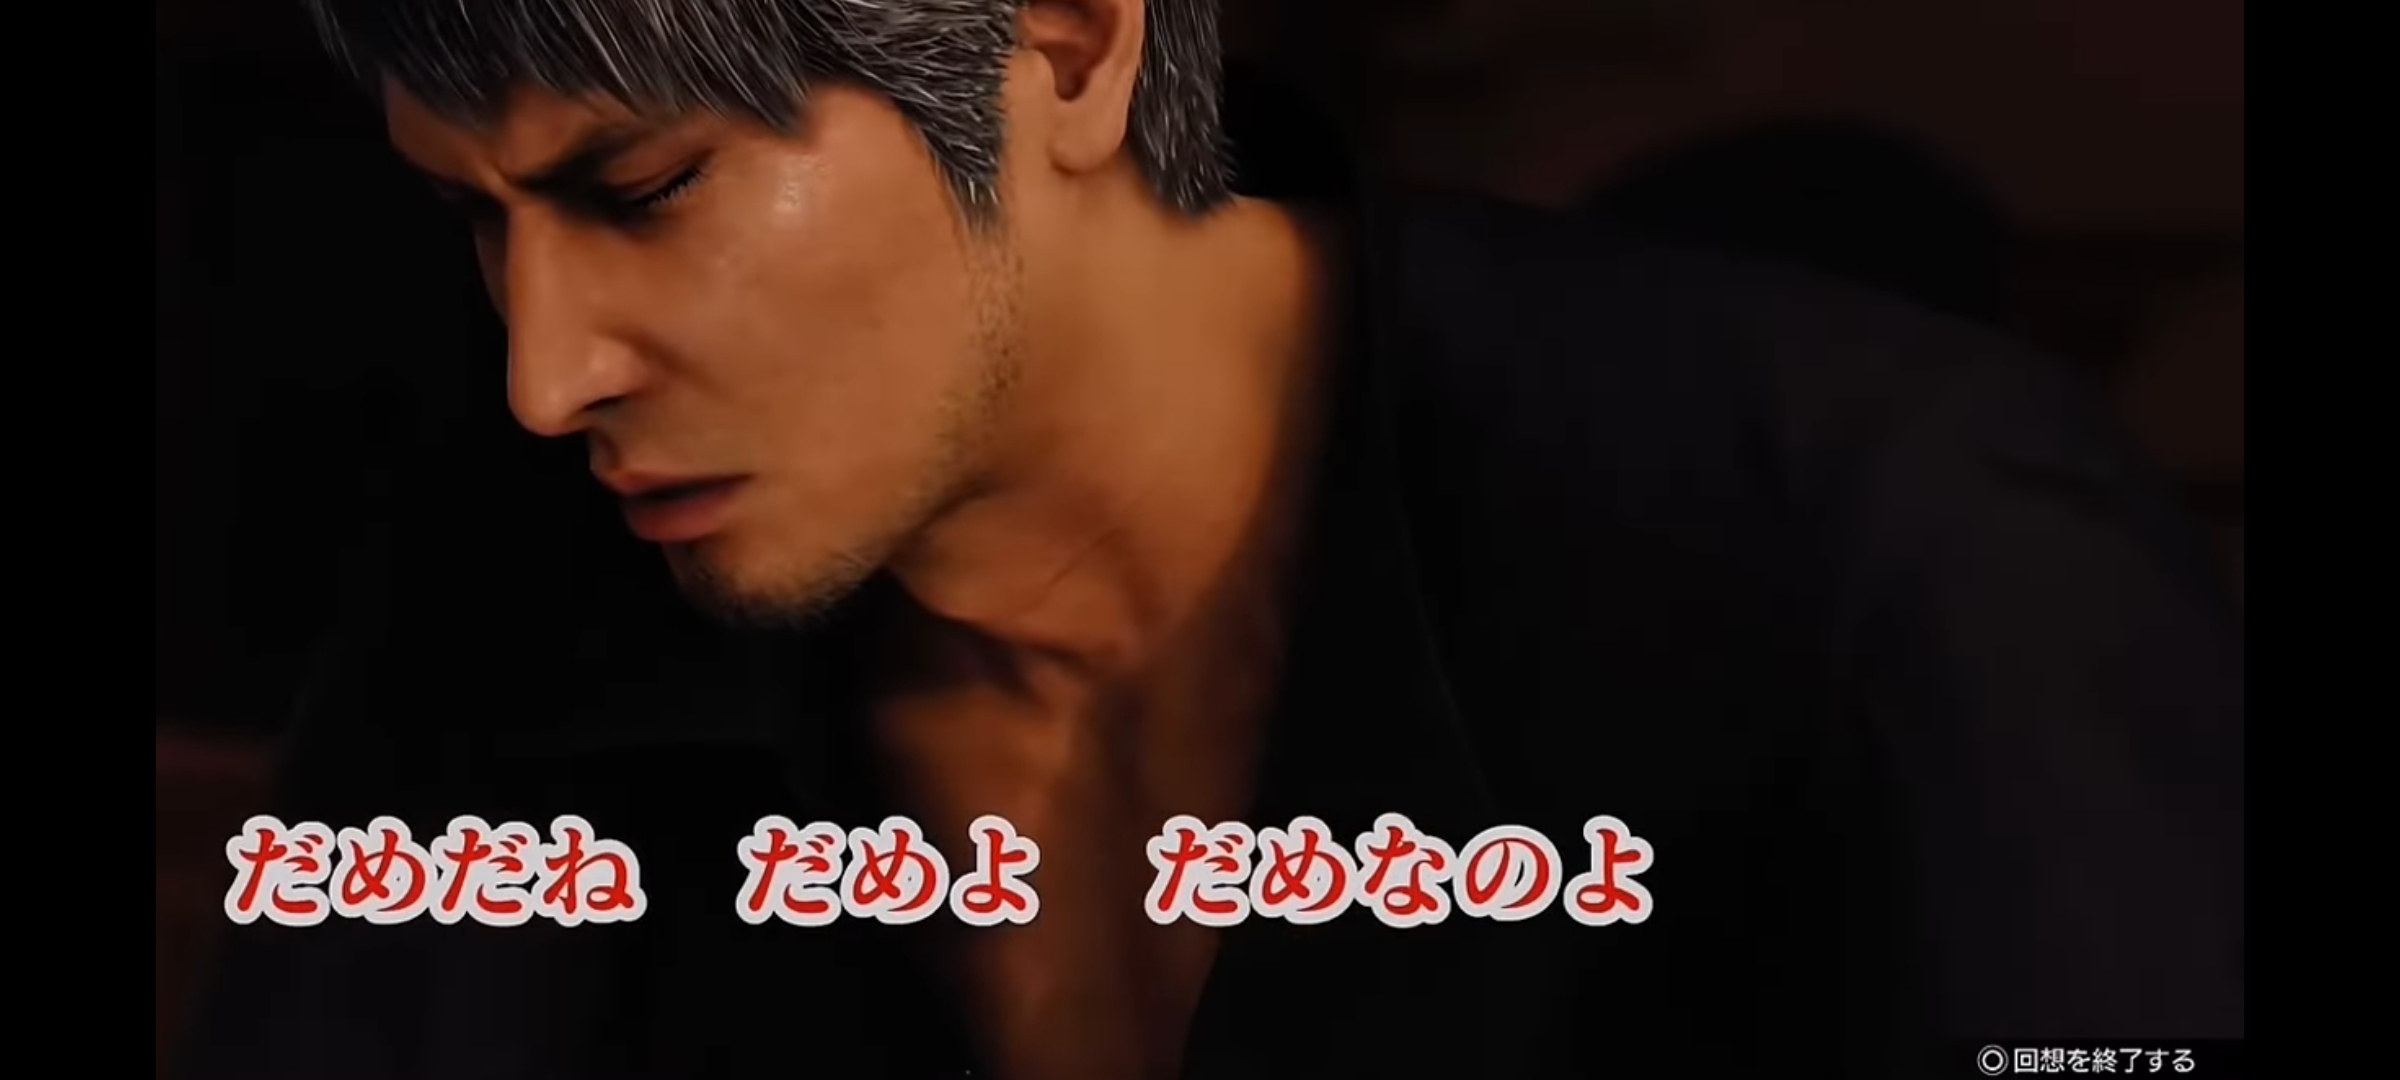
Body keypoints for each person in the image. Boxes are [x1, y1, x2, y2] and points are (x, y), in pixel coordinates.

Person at [176, 2, 2244, 1078]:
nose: (546, 373)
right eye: (472, 216)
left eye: (644, 192)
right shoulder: (506, 606)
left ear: (1069, 45)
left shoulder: (1908, 553)